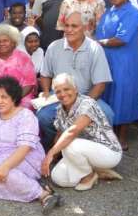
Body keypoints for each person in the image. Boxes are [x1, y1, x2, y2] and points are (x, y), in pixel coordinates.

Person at [0, 77, 62, 214]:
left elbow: (25, 148)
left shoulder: (26, 116)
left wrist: (5, 166)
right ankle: (31, 183)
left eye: (4, 97)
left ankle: (43, 194)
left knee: (2, 174)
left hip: (26, 157)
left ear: (14, 98)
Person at [37, 12, 114, 150]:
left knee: (107, 114)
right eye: (67, 25)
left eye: (74, 26)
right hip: (59, 96)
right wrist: (47, 92)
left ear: (84, 27)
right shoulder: (54, 47)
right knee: (43, 117)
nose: (69, 30)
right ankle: (56, 148)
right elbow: (45, 74)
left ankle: (95, 151)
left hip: (86, 96)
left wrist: (81, 105)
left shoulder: (94, 48)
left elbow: (101, 84)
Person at [42, 74, 122, 190]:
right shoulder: (60, 109)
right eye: (58, 91)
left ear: (75, 89)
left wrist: (50, 153)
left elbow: (71, 132)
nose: (63, 94)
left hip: (108, 152)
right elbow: (59, 134)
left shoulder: (87, 104)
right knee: (58, 178)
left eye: (66, 89)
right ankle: (96, 171)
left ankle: (89, 175)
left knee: (70, 144)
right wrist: (49, 161)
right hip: (81, 153)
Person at [95, 0, 138, 151]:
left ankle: (121, 138)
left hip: (124, 62)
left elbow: (121, 39)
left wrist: (98, 43)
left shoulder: (132, 12)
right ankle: (109, 133)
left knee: (123, 96)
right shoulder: (109, 11)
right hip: (107, 60)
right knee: (108, 94)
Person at [0, 25, 37, 142]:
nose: (2, 44)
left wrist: (14, 99)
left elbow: (30, 83)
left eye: (5, 41)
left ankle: (21, 140)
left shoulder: (23, 58)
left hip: (19, 95)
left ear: (13, 42)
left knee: (26, 104)